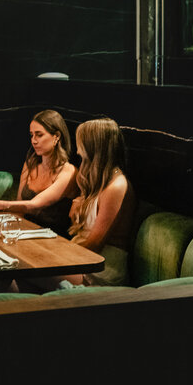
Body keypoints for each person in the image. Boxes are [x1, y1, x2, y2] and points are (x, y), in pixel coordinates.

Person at [0, 109, 78, 237]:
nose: (34, 140)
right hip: (25, 233)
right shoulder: (30, 164)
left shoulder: (69, 171)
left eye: (39, 135)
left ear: (56, 136)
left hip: (55, 240)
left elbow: (34, 205)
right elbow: (19, 211)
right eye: (31, 135)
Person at [66, 117, 136, 287]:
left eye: (81, 142)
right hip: (82, 260)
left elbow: (95, 244)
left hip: (103, 270)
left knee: (29, 269)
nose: (77, 150)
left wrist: (59, 256)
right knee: (12, 281)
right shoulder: (99, 180)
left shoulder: (117, 186)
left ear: (94, 146)